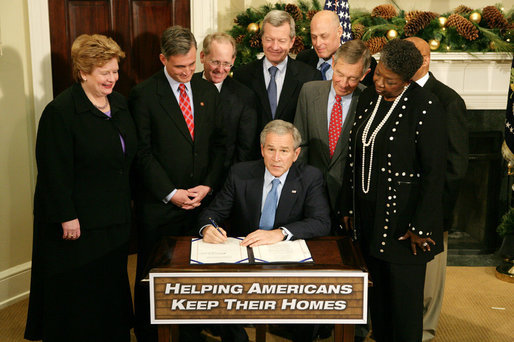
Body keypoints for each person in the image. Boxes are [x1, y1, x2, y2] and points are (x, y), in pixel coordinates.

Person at [25, 34, 136, 342]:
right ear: (84, 72)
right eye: (105, 73)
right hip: (79, 225)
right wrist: (67, 216)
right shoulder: (60, 112)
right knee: (81, 297)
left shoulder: (121, 104)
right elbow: (52, 171)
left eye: (115, 71)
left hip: (114, 219)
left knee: (110, 288)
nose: (113, 79)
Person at [342, 39, 447, 342]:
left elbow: (434, 173)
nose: (379, 83)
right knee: (379, 304)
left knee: (403, 310)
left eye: (390, 81)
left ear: (407, 79)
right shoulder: (367, 99)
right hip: (368, 219)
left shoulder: (426, 106)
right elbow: (354, 157)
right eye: (378, 74)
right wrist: (347, 207)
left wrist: (420, 226)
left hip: (403, 225)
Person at [129, 26, 226, 342]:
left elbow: (218, 146)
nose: (187, 72)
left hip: (199, 203)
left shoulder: (208, 91)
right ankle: (148, 334)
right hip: (160, 204)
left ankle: (190, 332)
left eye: (191, 64)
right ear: (162, 59)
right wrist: (171, 193)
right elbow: (141, 153)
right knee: (152, 275)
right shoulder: (143, 95)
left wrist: (208, 186)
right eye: (178, 67)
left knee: (195, 275)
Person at [198, 120, 331, 342]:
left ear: (296, 154)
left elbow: (321, 221)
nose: (276, 158)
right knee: (217, 288)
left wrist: (280, 232)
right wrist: (207, 228)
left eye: (284, 151)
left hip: (287, 258)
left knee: (313, 292)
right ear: (262, 150)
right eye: (271, 149)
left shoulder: (310, 177)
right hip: (245, 257)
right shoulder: (241, 173)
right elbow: (211, 213)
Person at [405, 37, 469, 342]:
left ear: (426, 60)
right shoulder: (393, 92)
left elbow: (456, 166)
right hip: (402, 207)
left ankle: (425, 334)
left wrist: (436, 215)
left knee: (430, 283)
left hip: (433, 212)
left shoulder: (448, 100)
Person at [295, 39, 370, 227]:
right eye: (340, 74)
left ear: (364, 74)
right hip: (311, 194)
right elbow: (300, 146)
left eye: (353, 78)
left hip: (350, 201)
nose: (344, 83)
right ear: (334, 63)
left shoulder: (369, 101)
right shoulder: (309, 92)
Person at [233, 10, 321, 131]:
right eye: (269, 39)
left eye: (281, 41)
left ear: (292, 41)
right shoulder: (242, 76)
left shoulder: (309, 77)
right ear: (261, 39)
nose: (274, 47)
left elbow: (312, 128)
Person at [193, 32, 259, 167]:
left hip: (225, 180)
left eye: (227, 64)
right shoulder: (187, 86)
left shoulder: (244, 96)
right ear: (202, 56)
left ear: (233, 60)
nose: (221, 69)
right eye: (215, 62)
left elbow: (245, 150)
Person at [296, 10, 376, 86]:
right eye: (314, 37)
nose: (318, 43)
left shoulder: (363, 62)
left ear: (339, 32)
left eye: (324, 36)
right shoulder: (303, 59)